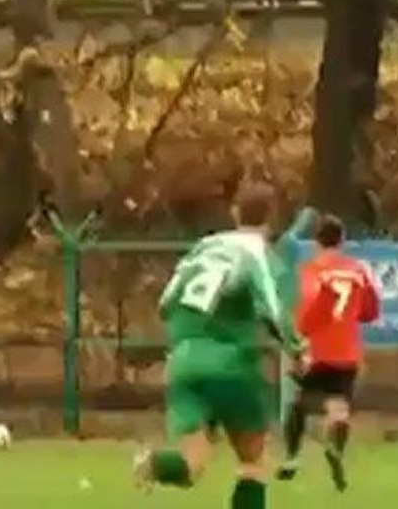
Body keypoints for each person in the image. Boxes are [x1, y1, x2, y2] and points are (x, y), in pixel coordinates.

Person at [133, 182, 306, 509]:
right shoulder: (258, 251)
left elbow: (166, 302)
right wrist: (297, 349)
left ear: (234, 213)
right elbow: (272, 307)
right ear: (273, 218)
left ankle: (153, 463)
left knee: (192, 464)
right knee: (253, 463)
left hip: (184, 363)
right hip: (233, 364)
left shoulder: (204, 246)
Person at [276, 214, 380, 492]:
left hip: (315, 351)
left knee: (298, 403)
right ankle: (335, 446)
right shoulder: (357, 271)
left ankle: (292, 457)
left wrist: (298, 344)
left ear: (316, 242)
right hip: (346, 353)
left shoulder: (308, 272)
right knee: (339, 406)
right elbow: (370, 312)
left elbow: (301, 314)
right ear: (342, 241)